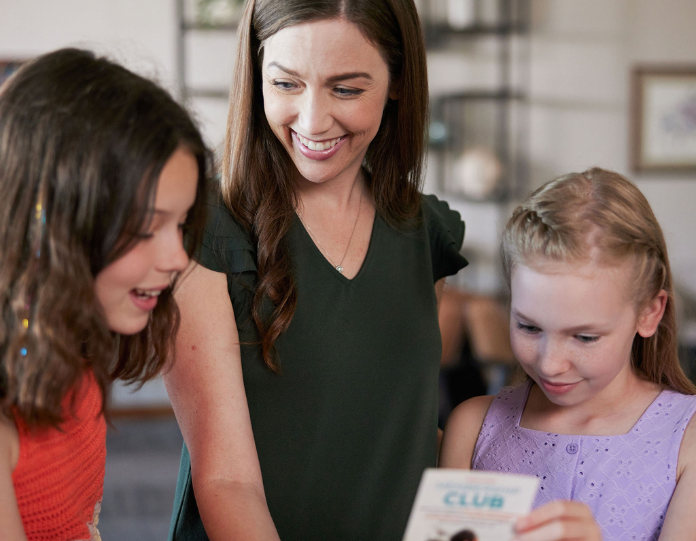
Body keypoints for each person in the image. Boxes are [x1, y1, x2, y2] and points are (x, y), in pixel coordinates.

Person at [164, 0, 467, 539]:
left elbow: (398, 428)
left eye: (346, 89)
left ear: (397, 82)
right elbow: (227, 481)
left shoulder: (427, 232)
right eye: (285, 84)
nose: (311, 121)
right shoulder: (207, 230)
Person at [0, 48, 210, 540]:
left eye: (179, 225)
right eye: (146, 228)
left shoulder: (69, 349)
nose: (177, 257)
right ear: (56, 225)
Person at [440, 168, 696, 541]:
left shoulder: (687, 438)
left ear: (649, 313)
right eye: (529, 327)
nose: (549, 364)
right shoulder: (471, 427)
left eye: (585, 337)